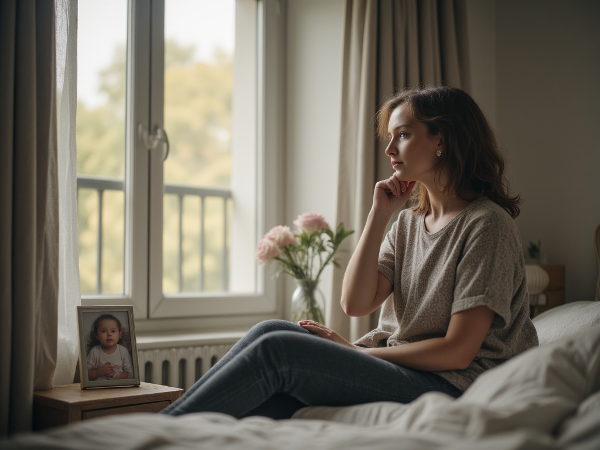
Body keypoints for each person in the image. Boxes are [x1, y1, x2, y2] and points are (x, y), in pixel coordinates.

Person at [160, 86, 538, 420]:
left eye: (403, 135)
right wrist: (379, 215)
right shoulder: (407, 223)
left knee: (280, 350)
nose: (390, 149)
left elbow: (457, 352)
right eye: (390, 138)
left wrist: (357, 355)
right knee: (271, 329)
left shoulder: (487, 225)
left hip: (452, 383)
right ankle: (175, 430)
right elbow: (355, 304)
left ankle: (157, 432)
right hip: (404, 366)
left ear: (443, 140)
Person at [86, 313, 134, 381]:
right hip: (99, 389)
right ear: (96, 335)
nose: (109, 334)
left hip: (119, 388)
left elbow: (131, 374)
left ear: (119, 334)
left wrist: (119, 375)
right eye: (103, 331)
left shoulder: (123, 351)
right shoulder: (95, 351)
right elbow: (85, 375)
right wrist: (98, 372)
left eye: (113, 331)